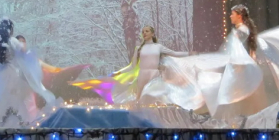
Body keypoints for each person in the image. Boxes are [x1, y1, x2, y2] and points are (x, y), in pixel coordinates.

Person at [185, 5, 279, 119]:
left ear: (239, 16)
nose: (230, 16)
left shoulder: (242, 31)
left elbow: (235, 52)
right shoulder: (243, 30)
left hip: (241, 73)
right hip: (241, 72)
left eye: (233, 14)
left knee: (239, 104)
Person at [73, 26, 202, 109]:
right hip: (142, 75)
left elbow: (174, 53)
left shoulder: (158, 47)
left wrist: (189, 53)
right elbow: (132, 66)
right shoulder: (139, 48)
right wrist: (119, 72)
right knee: (140, 99)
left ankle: (161, 120)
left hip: (155, 75)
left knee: (156, 97)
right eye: (143, 31)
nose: (144, 33)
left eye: (147, 31)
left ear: (152, 33)